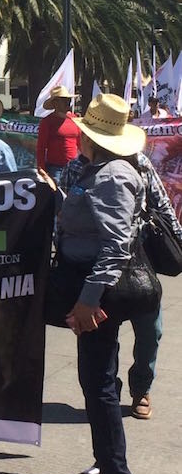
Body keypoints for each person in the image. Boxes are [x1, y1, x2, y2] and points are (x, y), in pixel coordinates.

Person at [47, 93, 149, 474]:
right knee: (96, 380)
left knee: (99, 383)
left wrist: (89, 301)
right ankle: (104, 461)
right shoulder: (97, 170)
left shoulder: (111, 176)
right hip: (90, 286)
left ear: (91, 137)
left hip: (99, 292)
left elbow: (115, 246)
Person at [61, 146, 181, 422]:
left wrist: (177, 243)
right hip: (95, 266)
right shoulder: (75, 167)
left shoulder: (139, 162)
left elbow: (162, 205)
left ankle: (141, 388)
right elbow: (65, 215)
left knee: (151, 331)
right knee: (105, 332)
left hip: (139, 262)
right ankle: (109, 391)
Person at [36, 85, 80, 185]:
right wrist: (41, 169)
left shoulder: (76, 119)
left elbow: (80, 144)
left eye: (68, 99)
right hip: (56, 168)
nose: (68, 102)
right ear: (55, 103)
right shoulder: (47, 122)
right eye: (64, 100)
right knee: (59, 197)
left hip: (75, 167)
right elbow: (41, 147)